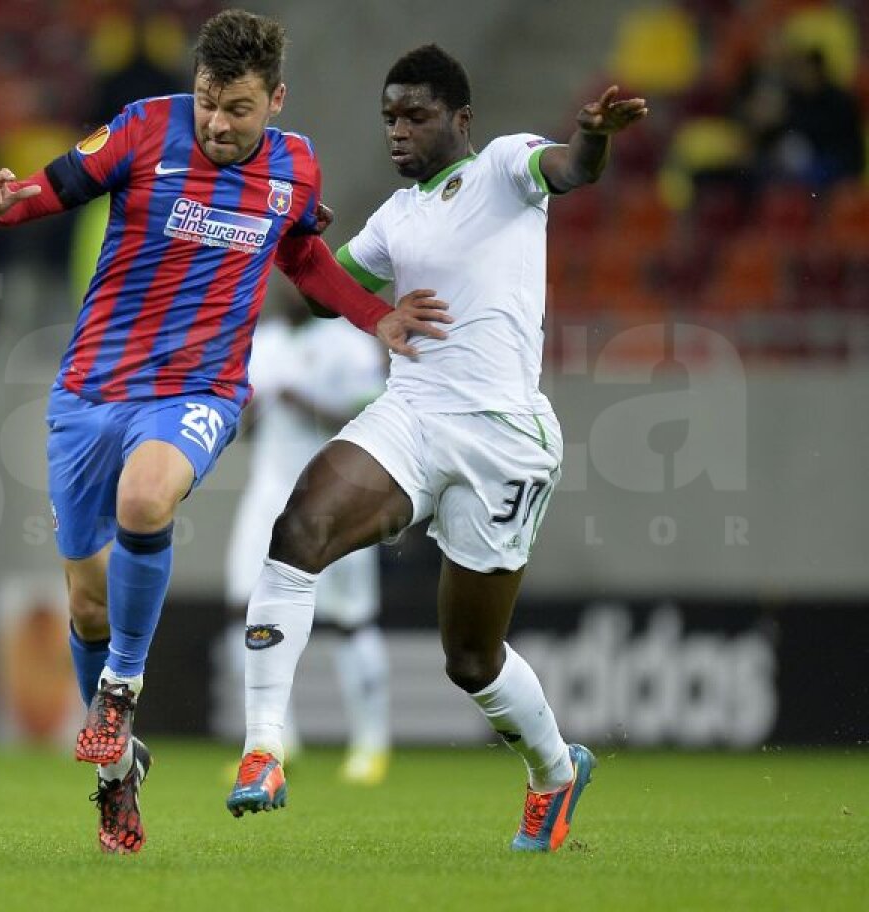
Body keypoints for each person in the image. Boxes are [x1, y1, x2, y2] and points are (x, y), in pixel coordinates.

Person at [0, 10, 449, 855]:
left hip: (198, 389)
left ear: (277, 100)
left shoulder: (296, 165)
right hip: (89, 390)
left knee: (145, 502)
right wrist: (2, 206)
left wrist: (375, 317)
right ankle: (116, 776)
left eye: (239, 108)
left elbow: (303, 259)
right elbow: (53, 187)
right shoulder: (145, 127)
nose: (218, 123)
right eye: (209, 101)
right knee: (84, 601)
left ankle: (120, 688)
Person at [226, 44, 647, 853]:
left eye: (415, 116)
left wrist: (592, 138)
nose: (398, 131)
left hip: (502, 438)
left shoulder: (503, 165)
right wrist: (295, 242)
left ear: (460, 119)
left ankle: (555, 773)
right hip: (412, 415)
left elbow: (570, 169)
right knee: (299, 531)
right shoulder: (397, 216)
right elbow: (324, 294)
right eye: (389, 117)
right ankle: (263, 750)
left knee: (471, 660)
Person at [224, 291, 390, 784]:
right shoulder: (264, 341)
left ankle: (371, 743)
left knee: (349, 620)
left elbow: (376, 417)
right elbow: (247, 422)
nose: (288, 290)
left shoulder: (350, 343)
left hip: (332, 492)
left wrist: (308, 403)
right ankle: (277, 741)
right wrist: (251, 416)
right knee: (241, 608)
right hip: (267, 490)